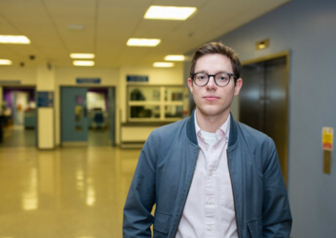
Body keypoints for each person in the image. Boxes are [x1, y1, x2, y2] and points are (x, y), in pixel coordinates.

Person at [123, 42, 292, 238]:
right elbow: (136, 216)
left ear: (237, 86)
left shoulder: (262, 147)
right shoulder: (159, 142)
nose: (210, 85)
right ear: (191, 85)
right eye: (202, 77)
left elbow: (277, 222)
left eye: (222, 77)